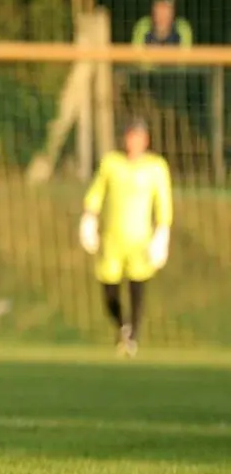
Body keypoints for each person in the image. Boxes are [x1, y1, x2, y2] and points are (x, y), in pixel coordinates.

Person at [79, 118, 173, 357]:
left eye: (139, 136)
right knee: (109, 289)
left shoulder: (156, 167)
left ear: (146, 139)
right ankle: (122, 324)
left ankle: (133, 338)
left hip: (141, 241)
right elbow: (97, 192)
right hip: (112, 239)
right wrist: (89, 219)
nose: (134, 141)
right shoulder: (112, 163)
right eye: (131, 135)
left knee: (137, 287)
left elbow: (163, 201)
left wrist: (162, 233)